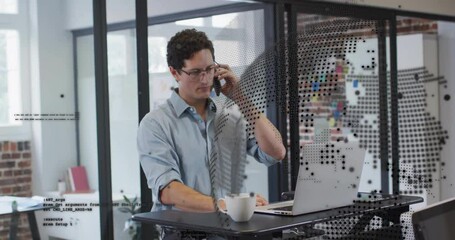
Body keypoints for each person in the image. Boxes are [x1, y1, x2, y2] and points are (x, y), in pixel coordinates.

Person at [137, 28, 285, 216]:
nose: (205, 79)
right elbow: (168, 191)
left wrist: (241, 97)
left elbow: (276, 151)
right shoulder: (155, 124)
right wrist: (227, 205)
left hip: (232, 230)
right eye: (196, 72)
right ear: (175, 73)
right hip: (184, 234)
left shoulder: (231, 116)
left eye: (209, 69)